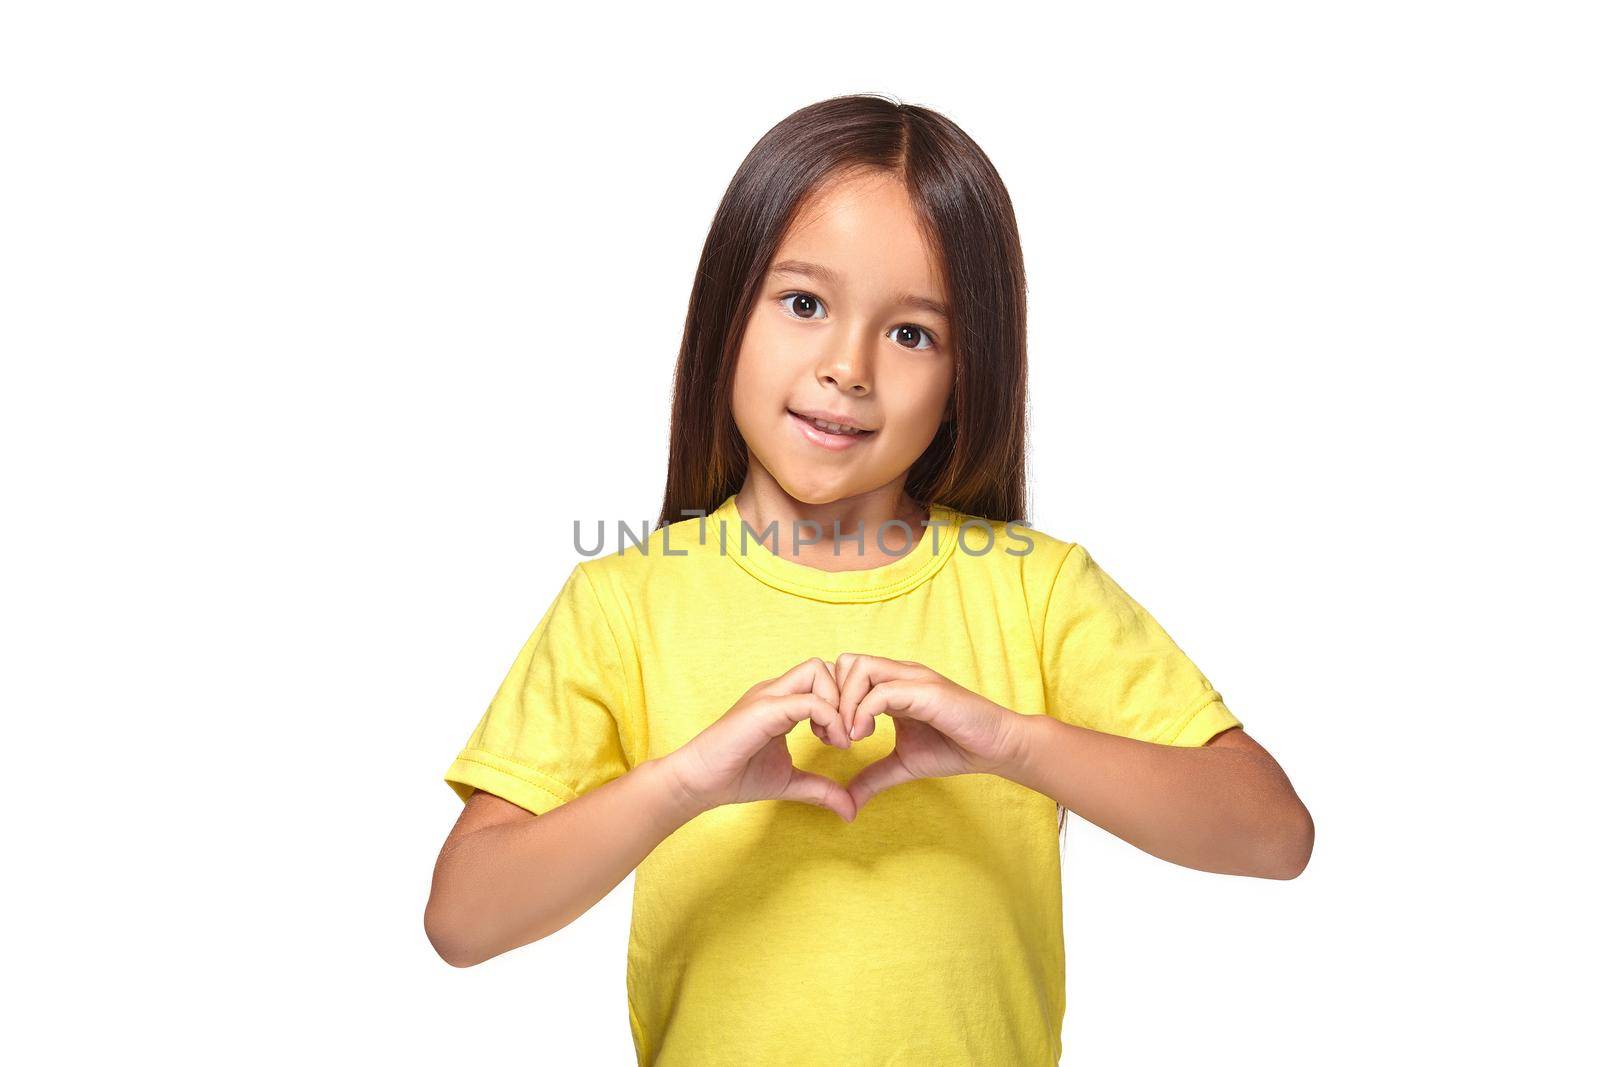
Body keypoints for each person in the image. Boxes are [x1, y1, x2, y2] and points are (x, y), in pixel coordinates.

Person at [424, 93, 1314, 1066]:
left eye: (912, 333)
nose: (848, 367)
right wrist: (685, 779)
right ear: (727, 313)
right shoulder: (624, 603)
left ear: (968, 373)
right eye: (804, 303)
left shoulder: (1035, 590)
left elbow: (1271, 834)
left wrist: (1013, 741)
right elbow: (463, 919)